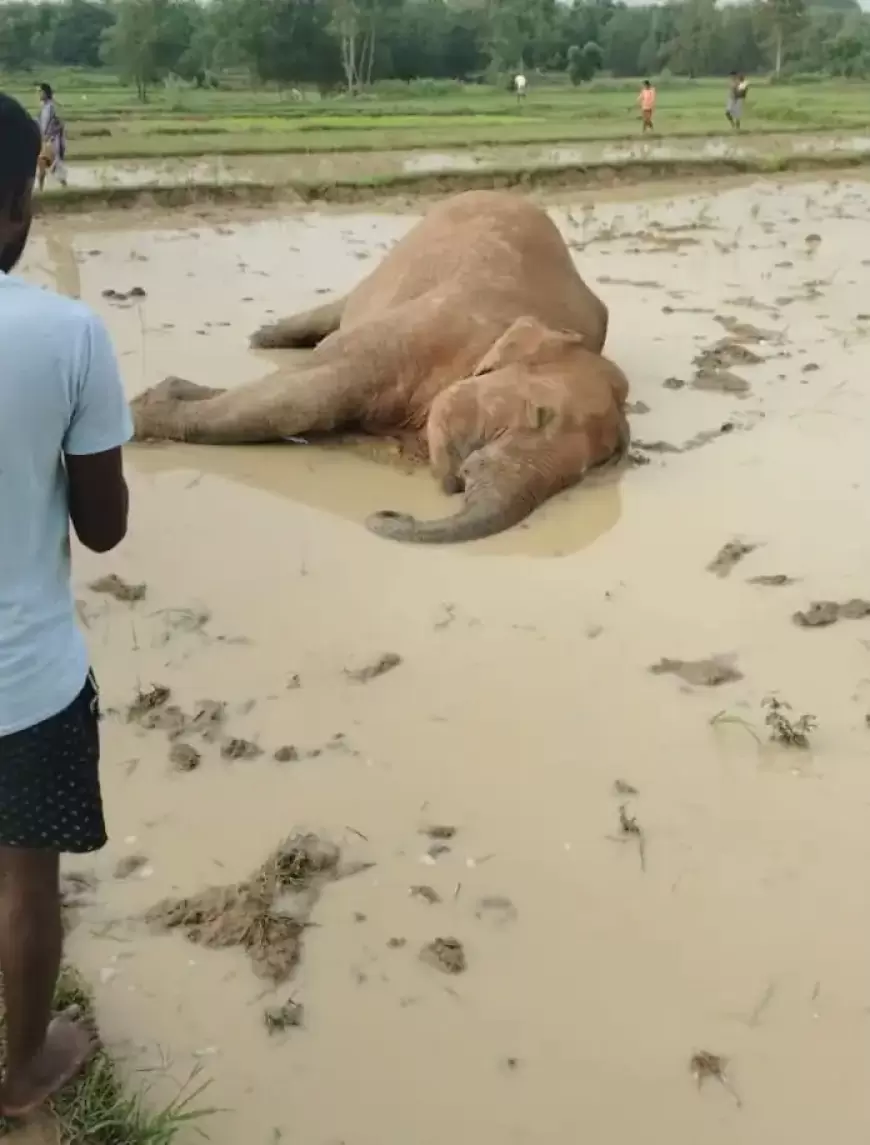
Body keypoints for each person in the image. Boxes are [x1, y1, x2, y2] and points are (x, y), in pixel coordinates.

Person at [0, 92, 131, 1118]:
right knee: (25, 875)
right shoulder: (67, 333)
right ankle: (24, 1066)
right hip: (26, 681)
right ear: (21, 203)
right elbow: (103, 528)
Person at [36, 82, 67, 190]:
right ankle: (41, 189)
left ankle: (64, 186)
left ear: (45, 93)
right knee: (42, 164)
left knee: (54, 166)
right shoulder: (43, 108)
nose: (39, 94)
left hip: (53, 141)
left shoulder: (52, 107)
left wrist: (50, 134)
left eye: (40, 92)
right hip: (45, 141)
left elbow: (60, 123)